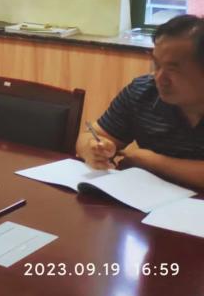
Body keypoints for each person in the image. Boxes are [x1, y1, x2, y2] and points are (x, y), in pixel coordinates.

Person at [78, 14, 204, 191]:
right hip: (149, 199)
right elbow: (90, 136)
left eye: (173, 69)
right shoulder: (143, 91)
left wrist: (150, 161)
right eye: (156, 65)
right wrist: (93, 150)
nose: (160, 78)